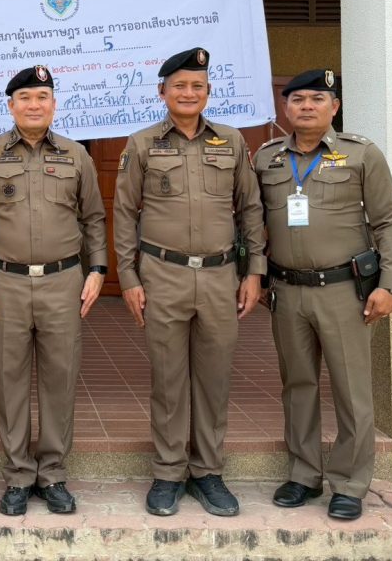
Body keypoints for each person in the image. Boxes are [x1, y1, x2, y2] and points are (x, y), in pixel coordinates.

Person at [112, 47, 266, 518]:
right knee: (169, 379)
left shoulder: (232, 142)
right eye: (179, 85)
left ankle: (208, 472)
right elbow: (124, 214)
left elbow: (251, 208)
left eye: (197, 85)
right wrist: (129, 277)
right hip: (163, 275)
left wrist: (254, 271)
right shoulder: (142, 144)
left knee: (215, 378)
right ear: (162, 92)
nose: (188, 93)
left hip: (220, 277)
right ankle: (167, 473)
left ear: (208, 91)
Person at [0, 65, 108, 517]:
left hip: (64, 281)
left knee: (61, 379)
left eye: (42, 97)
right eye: (25, 98)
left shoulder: (77, 155)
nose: (34, 105)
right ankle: (19, 475)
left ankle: (53, 474)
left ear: (54, 104)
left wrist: (98, 270)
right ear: (10, 105)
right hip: (5, 282)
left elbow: (94, 218)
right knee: (10, 381)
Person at [254, 69, 392, 521]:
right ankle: (303, 474)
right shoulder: (267, 159)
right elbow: (251, 223)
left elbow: (387, 221)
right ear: (285, 108)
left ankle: (350, 483)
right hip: (287, 291)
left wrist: (389, 284)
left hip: (344, 291)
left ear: (334, 107)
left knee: (351, 389)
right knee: (298, 386)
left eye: (317, 99)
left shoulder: (361, 154)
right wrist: (255, 275)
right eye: (297, 99)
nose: (306, 106)